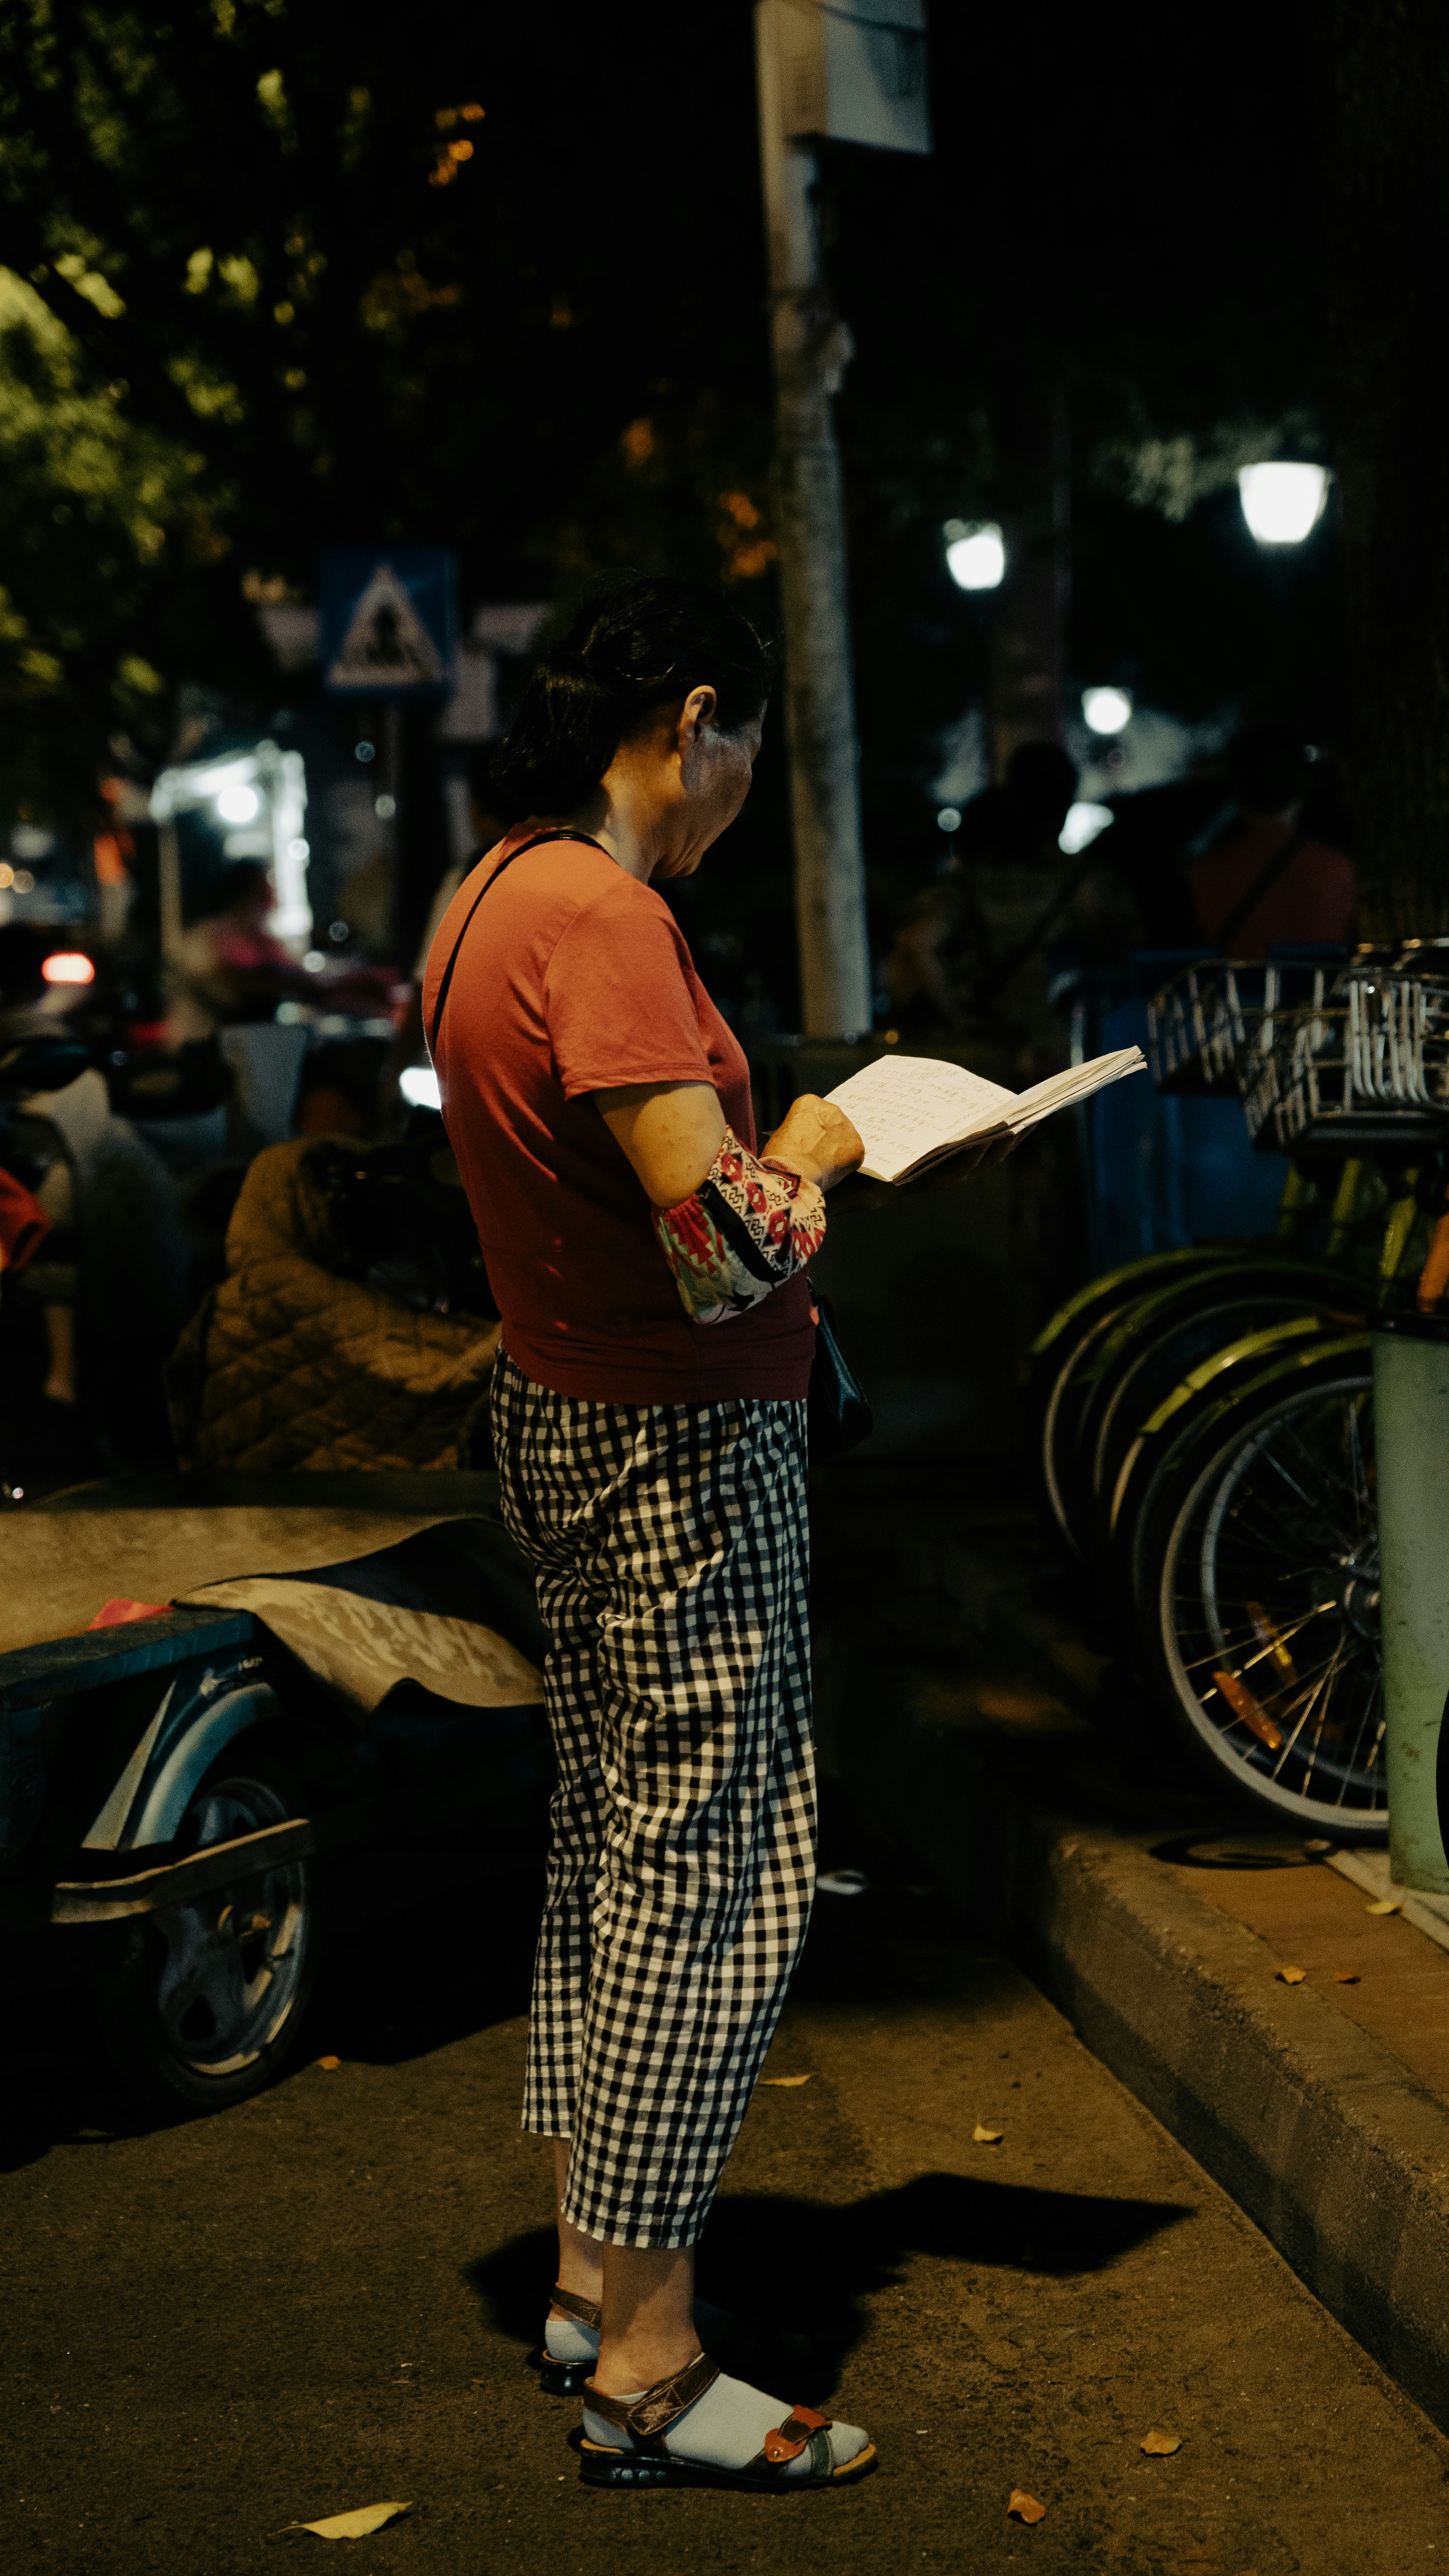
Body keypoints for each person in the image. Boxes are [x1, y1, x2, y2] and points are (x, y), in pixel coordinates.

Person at [423, 578, 1004, 2492]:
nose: (745, 778)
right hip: (677, 1448)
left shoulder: (485, 890)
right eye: (747, 738)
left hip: (560, 1415)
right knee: (714, 1880)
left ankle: (594, 2277)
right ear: (695, 722)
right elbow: (716, 1252)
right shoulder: (601, 919)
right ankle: (651, 2376)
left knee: (612, 1844)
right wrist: (831, 1143)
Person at [883, 742, 1137, 1057]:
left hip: (986, 1047)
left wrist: (956, 1017)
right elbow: (1124, 957)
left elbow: (918, 942)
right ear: (1066, 802)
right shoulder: (1089, 883)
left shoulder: (968, 883)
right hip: (1057, 1047)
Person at [1189, 726, 1355, 957]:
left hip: (1239, 991)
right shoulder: (1338, 868)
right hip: (1319, 989)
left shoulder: (1206, 873)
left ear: (1236, 791)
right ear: (1302, 787)